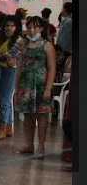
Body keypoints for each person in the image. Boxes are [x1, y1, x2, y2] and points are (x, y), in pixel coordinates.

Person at [14, 16, 57, 157]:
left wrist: (48, 88)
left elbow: (52, 68)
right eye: (29, 27)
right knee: (28, 116)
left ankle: (41, 147)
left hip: (41, 84)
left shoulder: (47, 45)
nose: (32, 30)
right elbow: (19, 66)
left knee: (41, 116)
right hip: (25, 85)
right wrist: (16, 86)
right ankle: (28, 144)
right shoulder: (23, 44)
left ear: (41, 29)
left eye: (35, 27)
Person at [0, 15, 24, 140]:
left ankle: (2, 127)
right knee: (5, 99)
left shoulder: (19, 40)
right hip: (1, 69)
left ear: (17, 27)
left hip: (11, 71)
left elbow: (8, 55)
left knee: (4, 100)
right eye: (7, 26)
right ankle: (8, 126)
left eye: (12, 26)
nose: (9, 28)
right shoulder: (2, 39)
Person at [55, 2, 73, 79]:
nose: (61, 10)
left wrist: (59, 50)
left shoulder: (68, 22)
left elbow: (64, 38)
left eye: (62, 8)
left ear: (65, 9)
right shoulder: (66, 21)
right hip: (63, 50)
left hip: (63, 50)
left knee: (59, 69)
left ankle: (58, 85)